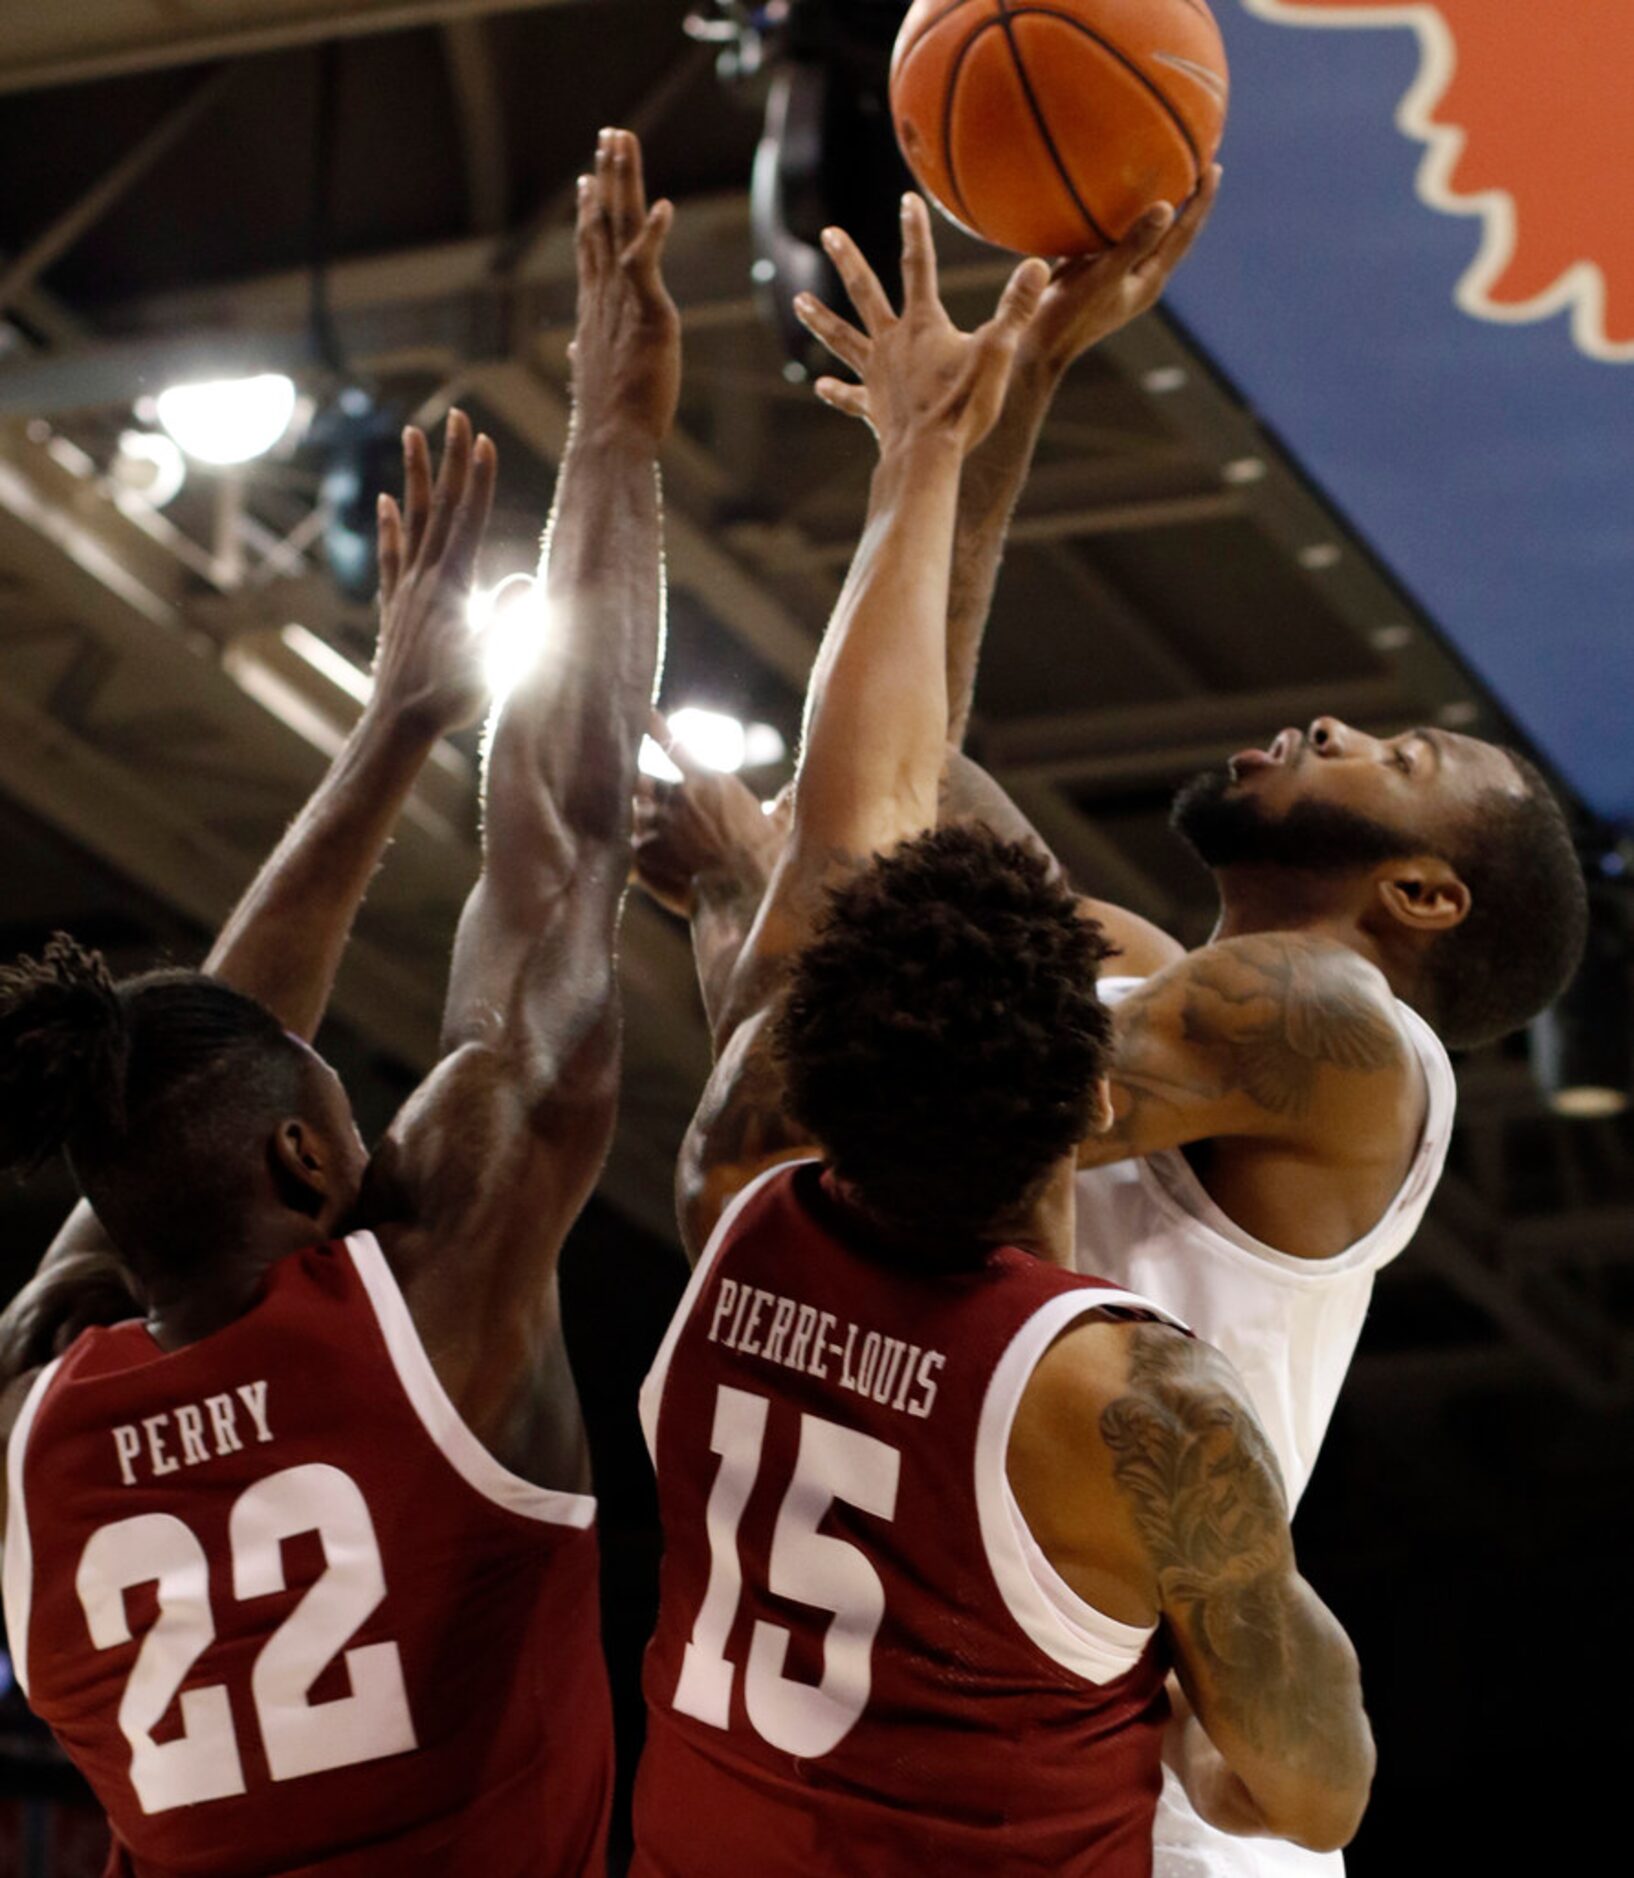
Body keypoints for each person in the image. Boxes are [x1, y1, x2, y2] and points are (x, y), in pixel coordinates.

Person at [632, 178, 1588, 1873]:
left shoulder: (1332, 1029)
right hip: (978, 1650)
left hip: (1131, 1768)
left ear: (1423, 899)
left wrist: (756, 902)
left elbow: (880, 946)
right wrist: (1008, 394)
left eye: (1399, 761)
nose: (1329, 721)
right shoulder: (1156, 970)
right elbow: (907, 771)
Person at [0, 127, 679, 1877]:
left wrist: (389, 733)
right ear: (308, 1160)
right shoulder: (435, 1323)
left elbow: (172, 1099)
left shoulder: (42, 1416)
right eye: (343, 1112)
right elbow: (570, 849)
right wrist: (611, 423)